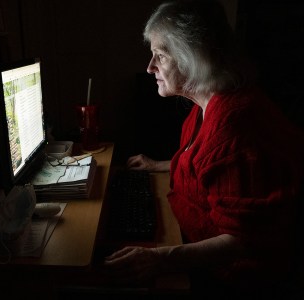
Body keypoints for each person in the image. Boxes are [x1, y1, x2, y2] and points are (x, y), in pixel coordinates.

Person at [103, 0, 304, 297]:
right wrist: (160, 164)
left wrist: (159, 259)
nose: (150, 68)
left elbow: (242, 241)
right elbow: (206, 167)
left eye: (160, 56)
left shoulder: (234, 129)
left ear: (191, 58)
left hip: (234, 279)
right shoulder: (211, 102)